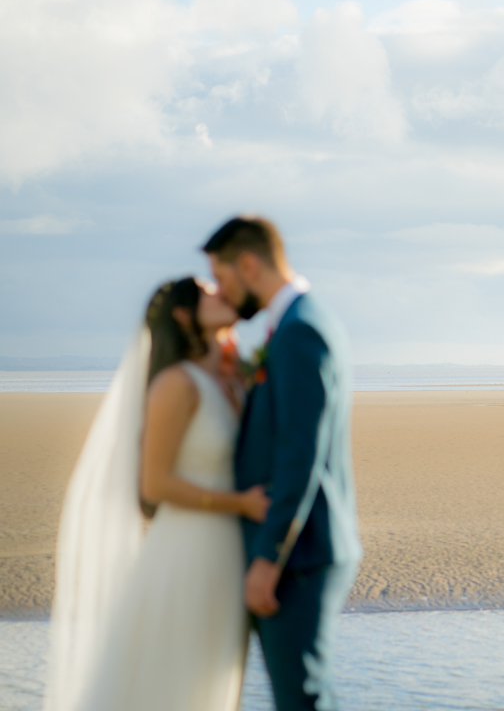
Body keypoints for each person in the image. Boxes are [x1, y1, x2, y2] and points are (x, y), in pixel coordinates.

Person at [45, 277, 270, 711]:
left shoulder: (229, 380)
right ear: (184, 315)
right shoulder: (176, 384)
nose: (222, 292)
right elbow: (155, 484)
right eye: (208, 292)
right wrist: (238, 504)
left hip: (228, 554)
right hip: (187, 552)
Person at [203, 215, 362, 711]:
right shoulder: (299, 323)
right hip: (304, 547)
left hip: (299, 553)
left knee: (303, 700)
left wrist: (269, 558)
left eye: (223, 276)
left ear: (249, 264)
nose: (222, 291)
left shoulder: (299, 332)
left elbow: (301, 455)